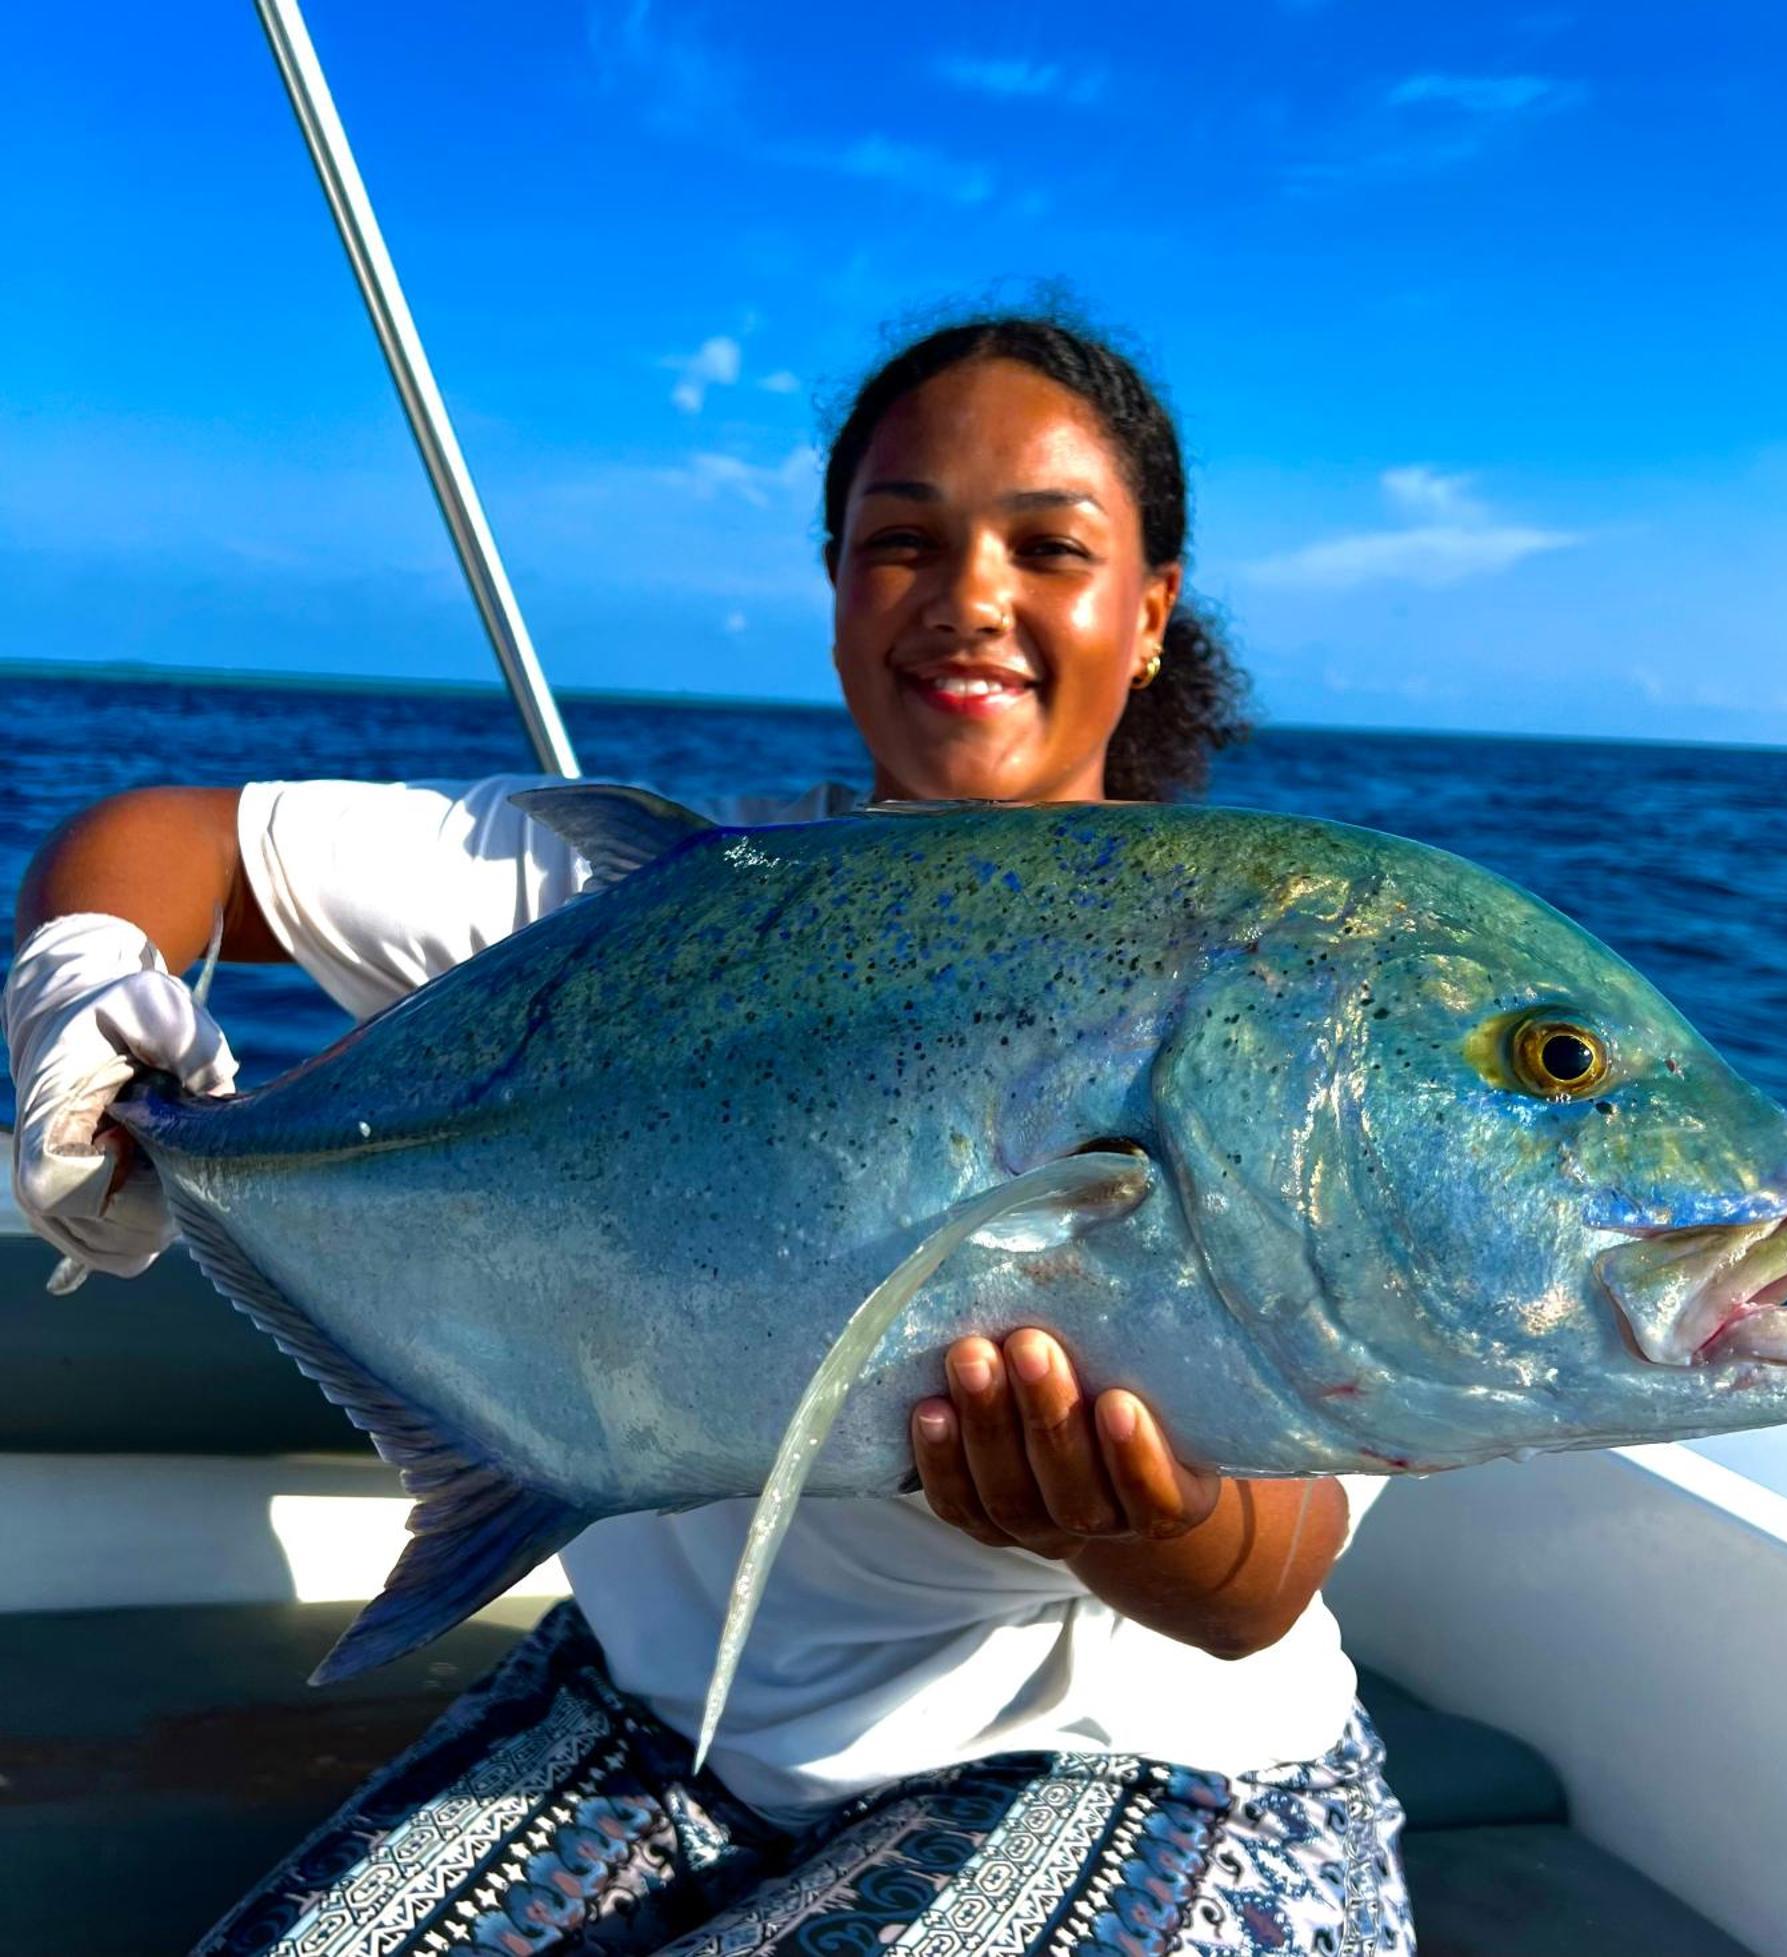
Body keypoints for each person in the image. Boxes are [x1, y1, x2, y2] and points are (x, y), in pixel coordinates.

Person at [6, 315, 1413, 1954]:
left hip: (1148, 1766)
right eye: (903, 540)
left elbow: (1256, 1586)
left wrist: (1125, 1514)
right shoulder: (635, 905)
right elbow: (163, 841)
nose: (970, 594)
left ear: (1152, 609)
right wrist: (81, 992)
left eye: (1049, 546)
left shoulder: (1259, 981)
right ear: (834, 590)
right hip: (665, 1722)